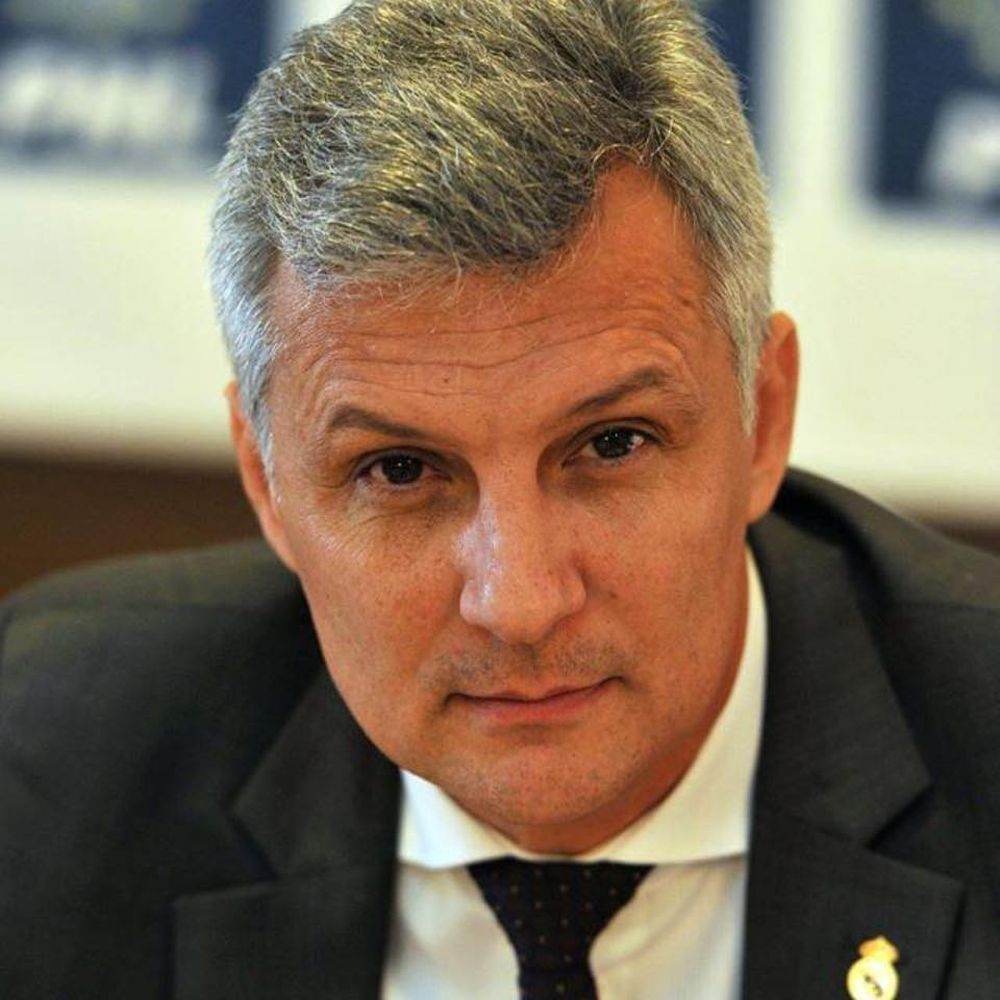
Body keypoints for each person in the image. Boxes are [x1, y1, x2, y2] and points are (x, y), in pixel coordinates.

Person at [1, 1, 997, 997]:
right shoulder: (51, 767)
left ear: (763, 418)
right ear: (264, 480)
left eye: (611, 445)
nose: (518, 601)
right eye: (400, 470)